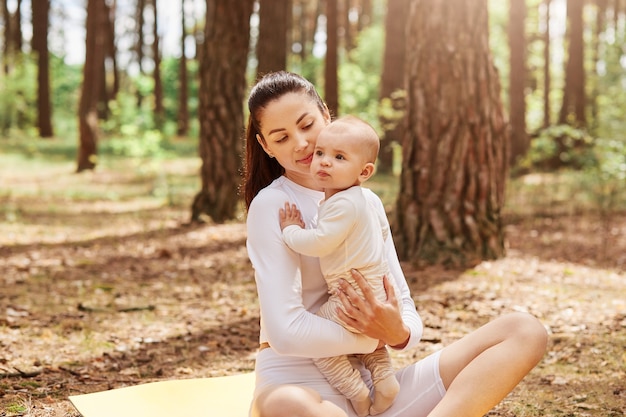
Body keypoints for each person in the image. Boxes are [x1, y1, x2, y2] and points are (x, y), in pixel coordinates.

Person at [243, 70, 548, 417]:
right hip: (297, 384)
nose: (301, 143)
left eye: (307, 124)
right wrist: (373, 338)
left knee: (524, 331)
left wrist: (398, 332)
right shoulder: (274, 206)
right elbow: (285, 332)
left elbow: (402, 305)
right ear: (266, 146)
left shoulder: (367, 203)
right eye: (281, 138)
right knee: (288, 404)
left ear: (326, 116)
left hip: (374, 390)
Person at [278, 115, 401, 416]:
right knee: (367, 340)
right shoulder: (359, 200)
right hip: (373, 289)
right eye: (320, 153)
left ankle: (357, 393)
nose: (324, 162)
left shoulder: (343, 204)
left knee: (320, 345)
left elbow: (320, 242)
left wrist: (291, 231)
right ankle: (385, 379)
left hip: (351, 292)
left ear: (365, 171)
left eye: (339, 157)